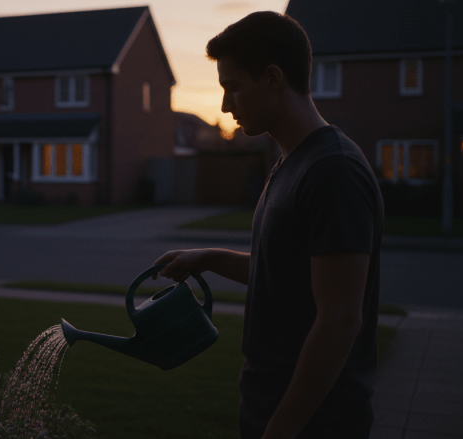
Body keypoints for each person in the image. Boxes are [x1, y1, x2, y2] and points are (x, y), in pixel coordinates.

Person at [153, 11, 384, 439]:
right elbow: (283, 271)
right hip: (266, 407)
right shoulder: (290, 165)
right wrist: (209, 257)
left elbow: (339, 320)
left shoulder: (333, 170)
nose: (224, 105)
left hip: (317, 423)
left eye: (233, 87)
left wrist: (280, 430)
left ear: (273, 78)